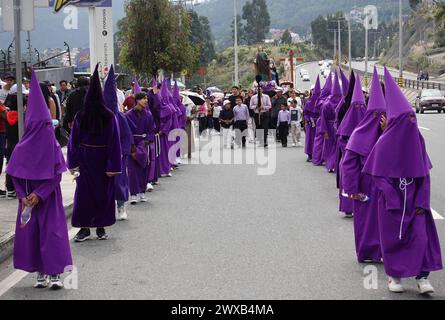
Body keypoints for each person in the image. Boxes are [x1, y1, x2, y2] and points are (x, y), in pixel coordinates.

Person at [362, 68, 443, 294]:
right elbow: (378, 174)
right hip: (392, 202)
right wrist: (392, 198)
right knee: (394, 238)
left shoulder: (418, 140)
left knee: (420, 238)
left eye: (413, 118)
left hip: (416, 201)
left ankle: (422, 277)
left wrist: (421, 202)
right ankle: (394, 276)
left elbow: (424, 174)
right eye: (407, 118)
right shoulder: (383, 144)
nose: (411, 122)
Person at [6, 70, 72, 289]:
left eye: (48, 125)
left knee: (52, 235)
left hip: (48, 197)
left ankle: (55, 274)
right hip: (27, 200)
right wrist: (24, 196)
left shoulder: (52, 145)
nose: (47, 130)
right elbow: (14, 174)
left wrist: (38, 194)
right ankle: (40, 274)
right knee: (32, 236)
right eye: (42, 125)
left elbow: (56, 174)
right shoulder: (21, 148)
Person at [68, 65, 122, 242]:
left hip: (97, 161)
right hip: (88, 162)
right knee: (85, 194)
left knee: (101, 194)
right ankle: (85, 228)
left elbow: (114, 141)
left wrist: (112, 165)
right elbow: (73, 141)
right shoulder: (81, 116)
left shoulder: (107, 117)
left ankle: (100, 226)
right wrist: (73, 163)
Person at [342, 67, 385, 263]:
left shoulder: (389, 133)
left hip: (386, 188)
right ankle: (367, 252)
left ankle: (385, 252)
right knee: (366, 222)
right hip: (365, 187)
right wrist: (351, 189)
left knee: (384, 223)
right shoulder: (359, 135)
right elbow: (349, 164)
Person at [104, 65, 133, 219]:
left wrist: (123, 152)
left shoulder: (120, 117)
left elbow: (126, 136)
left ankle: (121, 207)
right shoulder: (98, 117)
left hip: (118, 154)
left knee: (119, 181)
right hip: (101, 155)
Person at [337, 73, 367, 218]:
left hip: (364, 160)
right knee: (349, 179)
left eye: (361, 106)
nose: (359, 108)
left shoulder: (368, 122)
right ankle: (347, 207)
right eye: (356, 106)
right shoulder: (346, 120)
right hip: (350, 157)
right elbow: (341, 139)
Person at [126, 92, 156, 204]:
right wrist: (132, 147)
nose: (146, 100)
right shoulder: (128, 115)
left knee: (144, 168)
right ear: (137, 100)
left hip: (144, 144)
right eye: (144, 98)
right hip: (132, 144)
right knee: (132, 170)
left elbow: (152, 129)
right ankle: (133, 194)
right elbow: (127, 132)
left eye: (147, 98)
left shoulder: (148, 115)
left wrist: (147, 141)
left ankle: (142, 192)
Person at [319, 71, 342, 173]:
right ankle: (332, 164)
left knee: (333, 147)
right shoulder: (342, 102)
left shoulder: (327, 103)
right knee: (333, 147)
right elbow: (324, 117)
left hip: (332, 126)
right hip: (335, 126)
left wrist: (324, 131)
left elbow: (323, 118)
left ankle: (333, 164)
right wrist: (325, 131)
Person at [312, 73, 332, 166]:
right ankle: (318, 158)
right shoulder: (325, 101)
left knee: (319, 140)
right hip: (323, 121)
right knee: (320, 140)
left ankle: (318, 158)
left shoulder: (320, 99)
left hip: (320, 121)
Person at [303, 77, 321, 161]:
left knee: (319, 140)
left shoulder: (322, 102)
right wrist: (309, 119)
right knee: (310, 139)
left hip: (320, 123)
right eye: (313, 90)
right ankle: (310, 154)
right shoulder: (308, 103)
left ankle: (319, 155)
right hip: (311, 123)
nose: (314, 92)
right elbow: (305, 113)